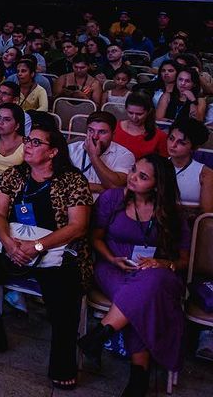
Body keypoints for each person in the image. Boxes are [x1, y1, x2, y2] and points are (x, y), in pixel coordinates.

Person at [0, 126, 92, 390]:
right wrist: (9, 243)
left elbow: (77, 226)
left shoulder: (72, 180)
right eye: (28, 140)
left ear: (53, 151)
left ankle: (62, 364)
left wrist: (36, 246)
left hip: (54, 251)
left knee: (64, 287)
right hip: (13, 245)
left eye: (36, 142)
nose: (28, 145)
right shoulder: (15, 174)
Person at [79, 157, 190, 397]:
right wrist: (111, 259)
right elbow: (95, 237)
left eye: (143, 176)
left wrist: (162, 263)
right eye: (133, 171)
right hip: (113, 266)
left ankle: (102, 333)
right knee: (135, 300)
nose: (132, 177)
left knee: (148, 284)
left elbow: (183, 260)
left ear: (158, 185)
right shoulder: (112, 198)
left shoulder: (172, 213)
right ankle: (140, 372)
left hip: (158, 273)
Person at [66, 112, 134, 194]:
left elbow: (114, 187)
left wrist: (93, 156)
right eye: (91, 130)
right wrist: (100, 188)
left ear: (113, 135)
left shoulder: (125, 155)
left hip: (104, 205)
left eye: (102, 132)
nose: (95, 137)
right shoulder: (71, 149)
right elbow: (61, 182)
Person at [165, 117, 213, 212]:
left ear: (194, 148)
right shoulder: (156, 165)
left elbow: (206, 214)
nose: (173, 145)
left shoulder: (206, 174)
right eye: (171, 138)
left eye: (181, 143)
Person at [113, 93, 167, 158]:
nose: (134, 117)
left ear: (148, 111)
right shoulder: (114, 127)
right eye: (130, 113)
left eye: (139, 114)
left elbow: (164, 162)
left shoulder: (159, 136)